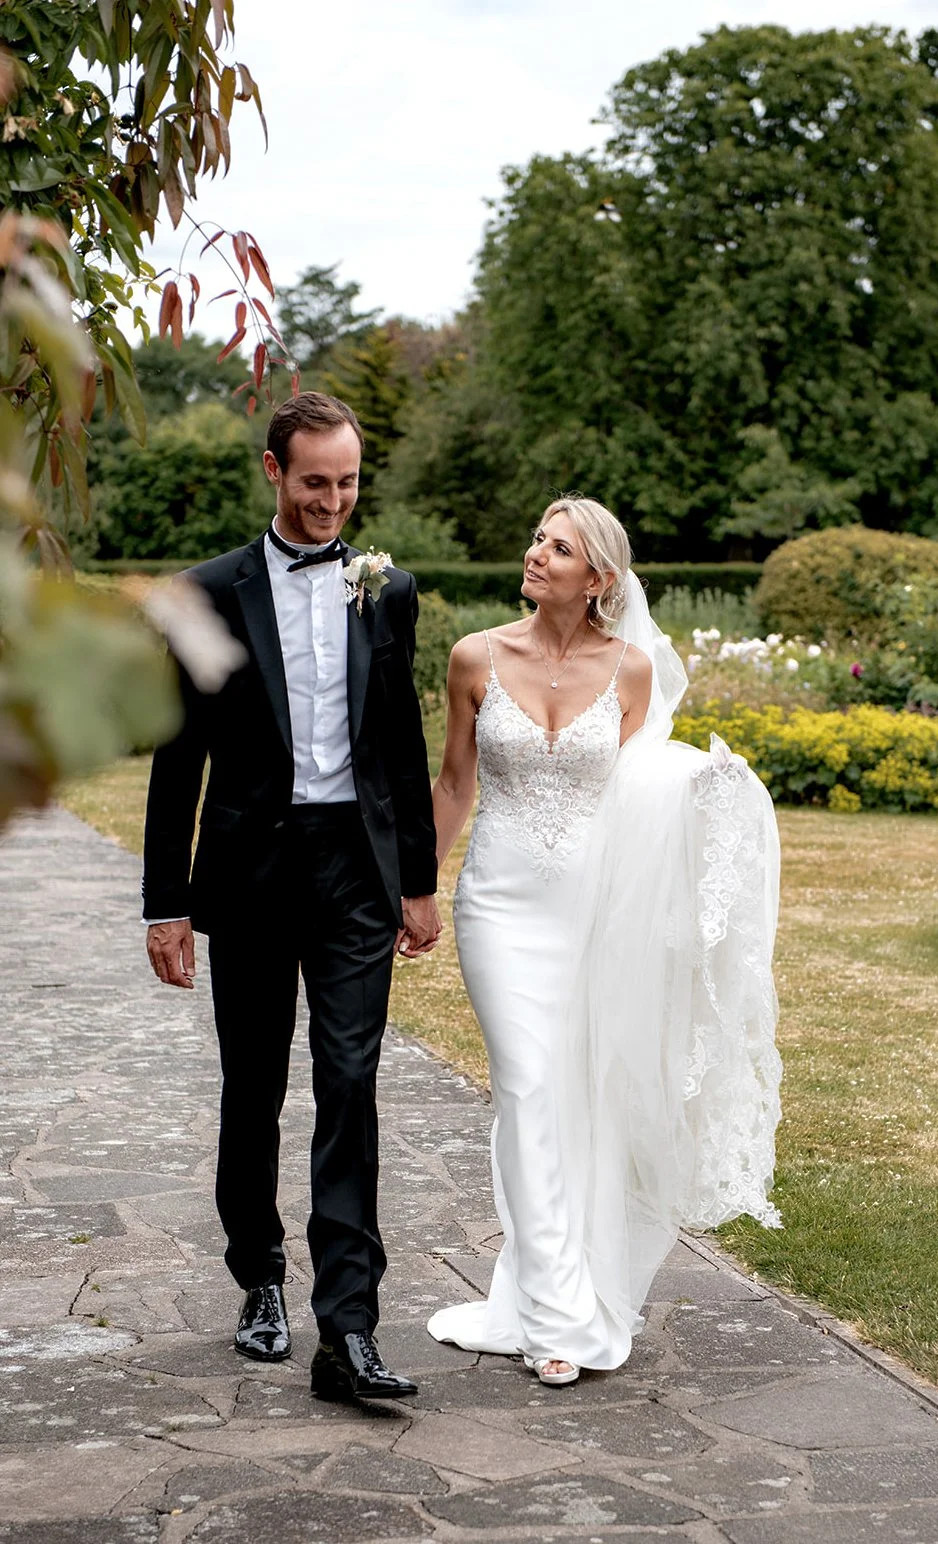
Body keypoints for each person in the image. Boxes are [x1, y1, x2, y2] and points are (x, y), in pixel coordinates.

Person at [427, 496, 782, 1386]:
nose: (536, 554)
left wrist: (710, 788)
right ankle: (554, 1321)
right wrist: (417, 888)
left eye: (560, 547)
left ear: (601, 580)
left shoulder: (633, 673)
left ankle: (551, 1282)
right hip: (498, 908)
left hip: (591, 910)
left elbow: (642, 787)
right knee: (527, 1081)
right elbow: (454, 783)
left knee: (569, 1098)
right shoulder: (475, 656)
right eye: (538, 539)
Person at [142, 391, 441, 1402]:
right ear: (273, 471)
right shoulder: (209, 592)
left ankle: (348, 1327)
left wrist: (418, 881)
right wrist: (164, 902)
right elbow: (177, 758)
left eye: (348, 481)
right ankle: (260, 1278)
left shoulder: (385, 588)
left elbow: (397, 741)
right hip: (253, 871)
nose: (332, 502)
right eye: (315, 481)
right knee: (255, 1084)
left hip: (356, 870)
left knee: (350, 1086)